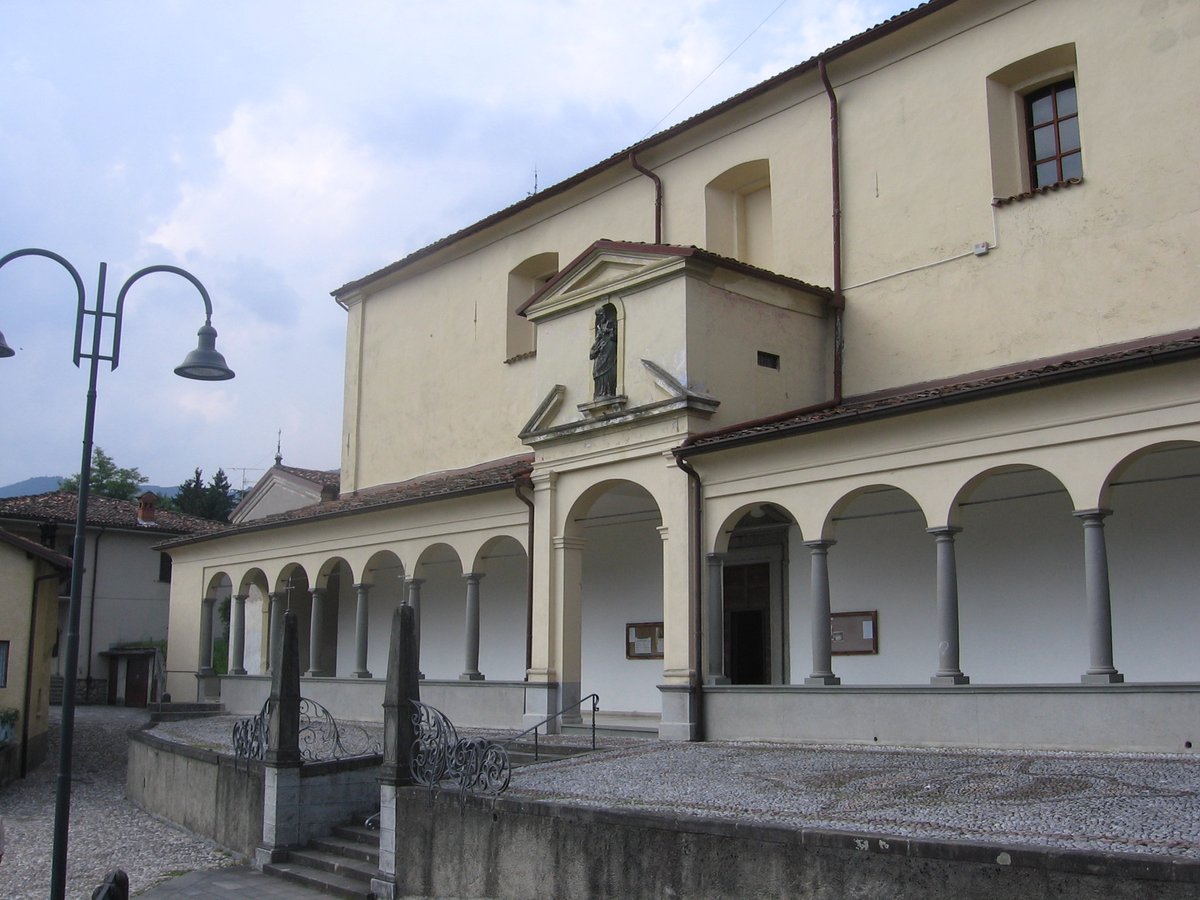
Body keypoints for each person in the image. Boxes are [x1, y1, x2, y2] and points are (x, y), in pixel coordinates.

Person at [589, 306, 617, 398]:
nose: (601, 317)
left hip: (610, 346)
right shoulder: (599, 326)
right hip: (602, 347)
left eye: (602, 314)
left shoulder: (611, 322)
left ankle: (608, 391)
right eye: (599, 316)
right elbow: (597, 338)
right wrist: (597, 346)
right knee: (597, 370)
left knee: (608, 367)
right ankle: (601, 392)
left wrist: (609, 331)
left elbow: (615, 336)